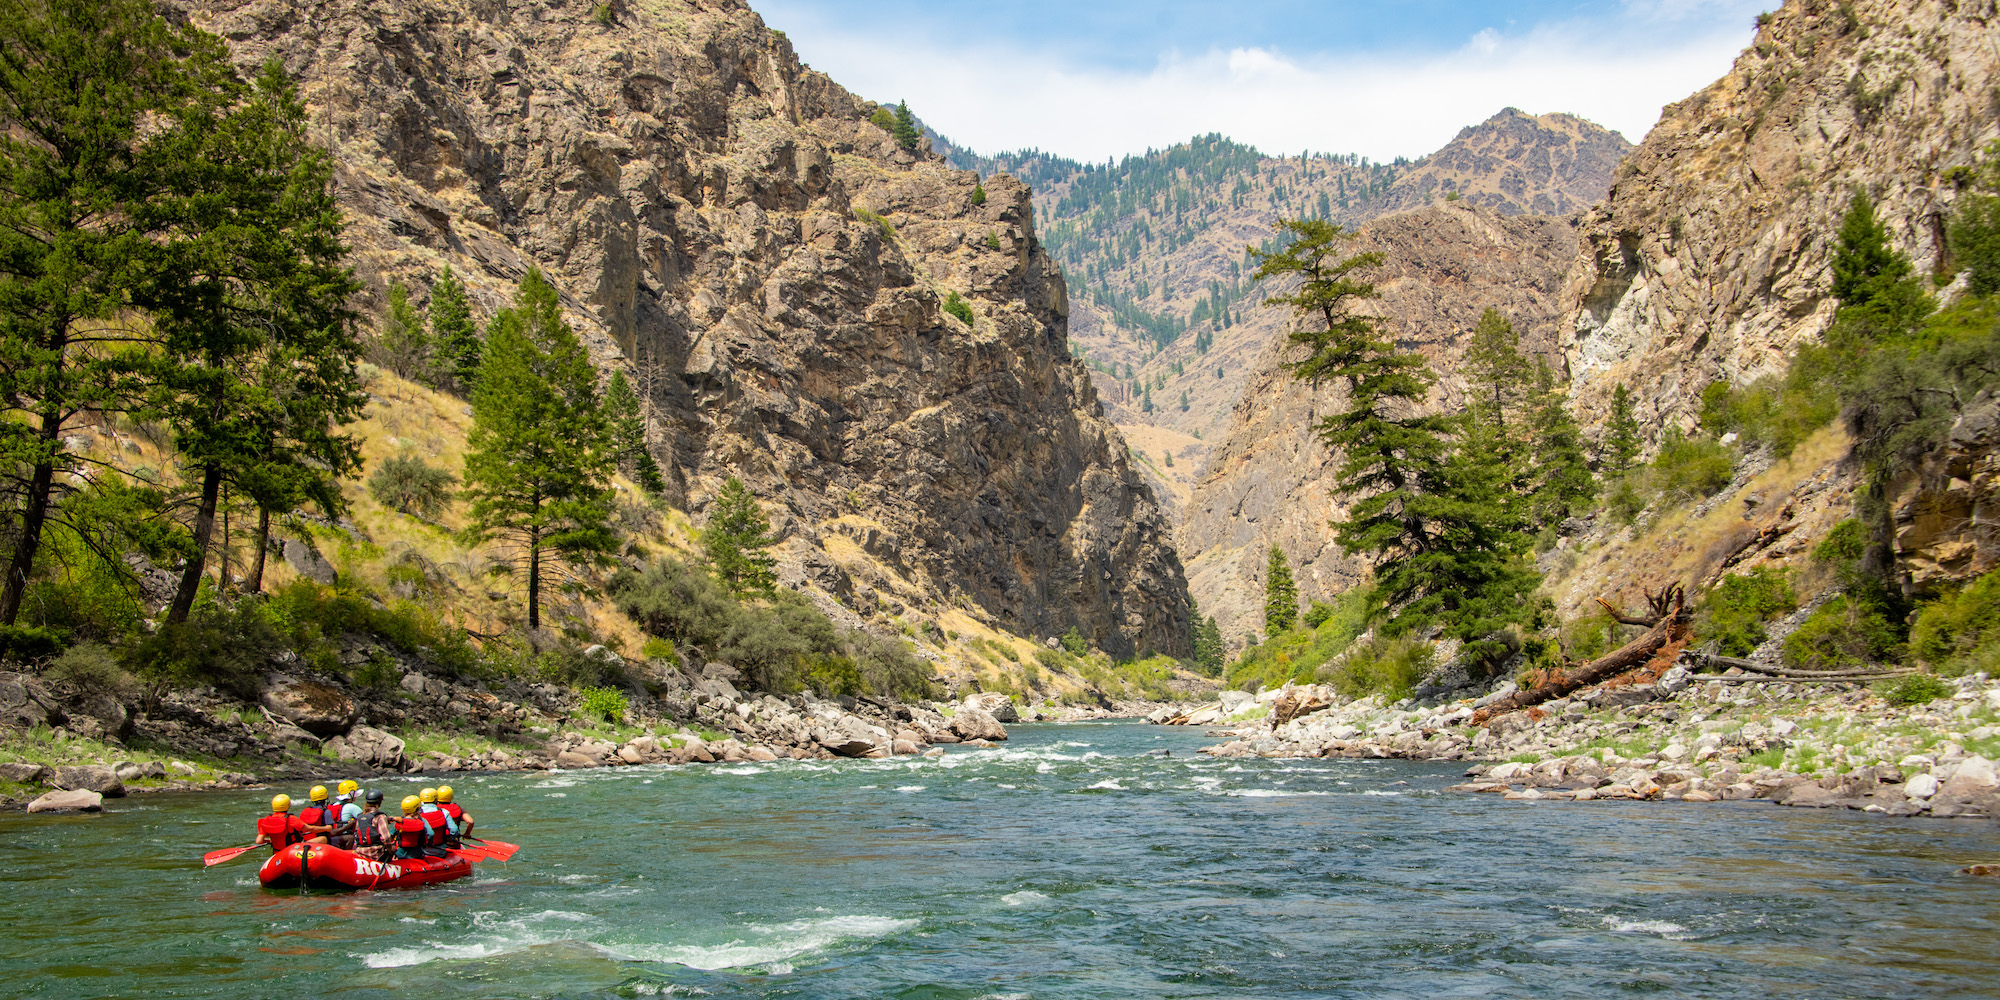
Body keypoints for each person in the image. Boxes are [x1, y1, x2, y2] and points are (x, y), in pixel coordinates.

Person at [253, 794, 329, 853]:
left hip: (277, 852)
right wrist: (326, 828)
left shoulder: (266, 820)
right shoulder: (291, 819)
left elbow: (259, 841)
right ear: (288, 805)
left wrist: (270, 841)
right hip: (293, 850)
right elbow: (310, 829)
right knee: (323, 839)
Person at [352, 790, 394, 861]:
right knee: (394, 849)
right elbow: (386, 838)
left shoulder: (360, 816)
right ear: (379, 802)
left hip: (360, 852)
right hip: (376, 854)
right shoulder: (380, 816)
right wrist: (391, 848)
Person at [415, 787, 456, 855]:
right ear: (436, 799)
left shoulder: (417, 814)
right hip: (440, 850)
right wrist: (451, 839)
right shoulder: (444, 812)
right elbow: (454, 830)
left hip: (421, 851)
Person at [323, 781, 363, 849]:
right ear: (351, 794)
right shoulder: (352, 807)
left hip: (333, 839)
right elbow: (367, 819)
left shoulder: (332, 805)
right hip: (345, 840)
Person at [393, 795, 431, 861]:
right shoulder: (422, 821)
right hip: (417, 854)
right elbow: (431, 834)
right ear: (417, 809)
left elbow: (391, 835)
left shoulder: (399, 822)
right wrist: (428, 844)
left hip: (401, 854)